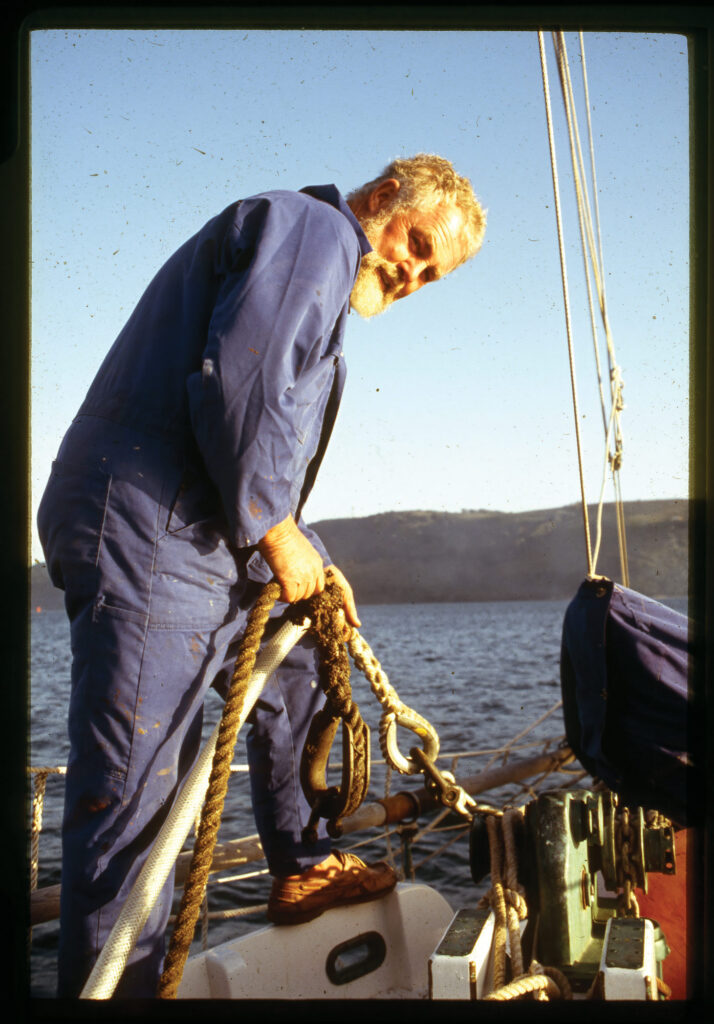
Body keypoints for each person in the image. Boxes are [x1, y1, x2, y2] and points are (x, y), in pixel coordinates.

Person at [37, 153, 486, 997]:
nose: (414, 274)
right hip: (149, 532)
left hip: (194, 532)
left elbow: (259, 431)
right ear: (385, 196)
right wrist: (278, 532)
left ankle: (304, 861)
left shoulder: (314, 260)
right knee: (135, 807)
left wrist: (310, 550)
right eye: (417, 245)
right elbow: (240, 386)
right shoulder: (313, 230)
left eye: (433, 273)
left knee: (304, 664)